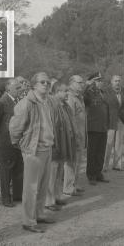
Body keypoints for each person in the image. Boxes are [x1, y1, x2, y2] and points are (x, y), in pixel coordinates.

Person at [9, 72, 56, 233]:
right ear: (34, 84)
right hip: (34, 150)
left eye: (48, 82)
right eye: (42, 82)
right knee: (31, 187)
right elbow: (15, 128)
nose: (46, 85)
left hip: (47, 148)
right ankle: (28, 221)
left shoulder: (47, 101)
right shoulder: (26, 103)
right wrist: (21, 144)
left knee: (43, 186)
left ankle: (39, 213)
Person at [0, 79, 24, 207]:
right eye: (17, 88)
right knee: (6, 171)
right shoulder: (1, 103)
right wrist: (1, 137)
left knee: (19, 168)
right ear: (8, 88)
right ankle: (6, 198)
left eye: (20, 87)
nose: (20, 90)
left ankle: (17, 195)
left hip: (18, 141)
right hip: (6, 141)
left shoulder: (18, 101)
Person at [45, 82, 75, 210]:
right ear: (56, 91)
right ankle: (48, 201)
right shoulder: (51, 104)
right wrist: (54, 143)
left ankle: (57, 197)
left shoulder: (64, 106)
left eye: (67, 90)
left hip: (63, 144)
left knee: (58, 174)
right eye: (64, 91)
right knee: (51, 175)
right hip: (54, 145)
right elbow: (51, 126)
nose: (67, 93)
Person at [84, 72, 110, 185]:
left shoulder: (102, 93)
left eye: (101, 80)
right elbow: (83, 97)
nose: (100, 82)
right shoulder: (89, 93)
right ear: (92, 82)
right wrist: (87, 85)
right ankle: (91, 175)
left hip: (103, 127)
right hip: (93, 127)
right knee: (92, 152)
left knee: (101, 152)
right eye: (98, 80)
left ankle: (98, 173)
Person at [103, 75, 124, 172]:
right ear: (111, 82)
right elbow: (103, 106)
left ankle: (117, 165)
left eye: (119, 81)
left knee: (119, 144)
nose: (117, 82)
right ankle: (104, 166)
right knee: (108, 144)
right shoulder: (106, 91)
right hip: (109, 121)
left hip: (120, 121)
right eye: (115, 81)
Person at [64, 75, 87, 196]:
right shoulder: (70, 97)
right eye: (79, 82)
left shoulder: (79, 97)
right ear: (71, 83)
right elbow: (70, 118)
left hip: (81, 135)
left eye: (82, 82)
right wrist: (75, 135)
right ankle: (68, 187)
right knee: (71, 163)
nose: (81, 85)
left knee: (78, 161)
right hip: (74, 136)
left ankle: (75, 184)